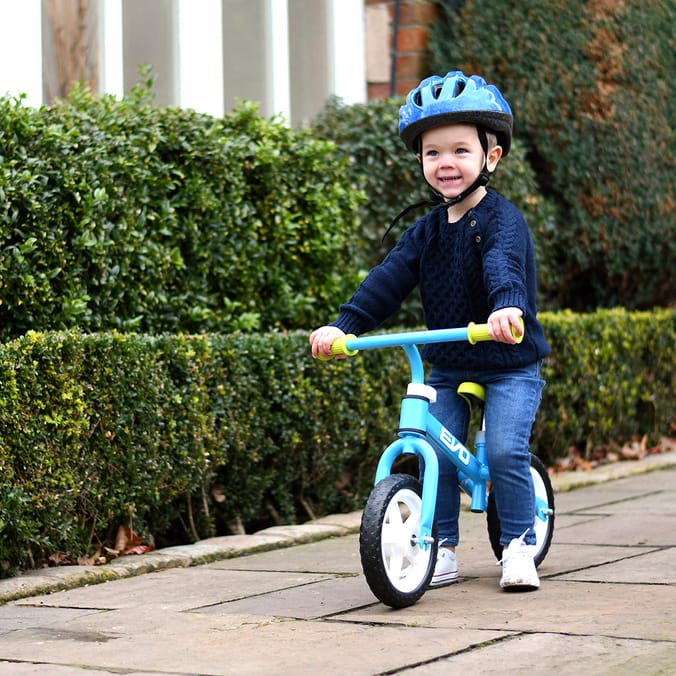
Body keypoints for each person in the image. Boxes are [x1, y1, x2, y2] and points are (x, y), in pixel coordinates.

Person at [309, 71, 550, 592]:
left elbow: (504, 268)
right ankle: (438, 548)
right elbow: (386, 281)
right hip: (449, 359)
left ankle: (518, 544)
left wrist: (508, 309)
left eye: (460, 150)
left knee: (506, 450)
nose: (446, 163)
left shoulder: (501, 221)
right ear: (420, 161)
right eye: (432, 152)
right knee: (430, 447)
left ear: (491, 157)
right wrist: (342, 325)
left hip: (508, 359)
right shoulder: (425, 231)